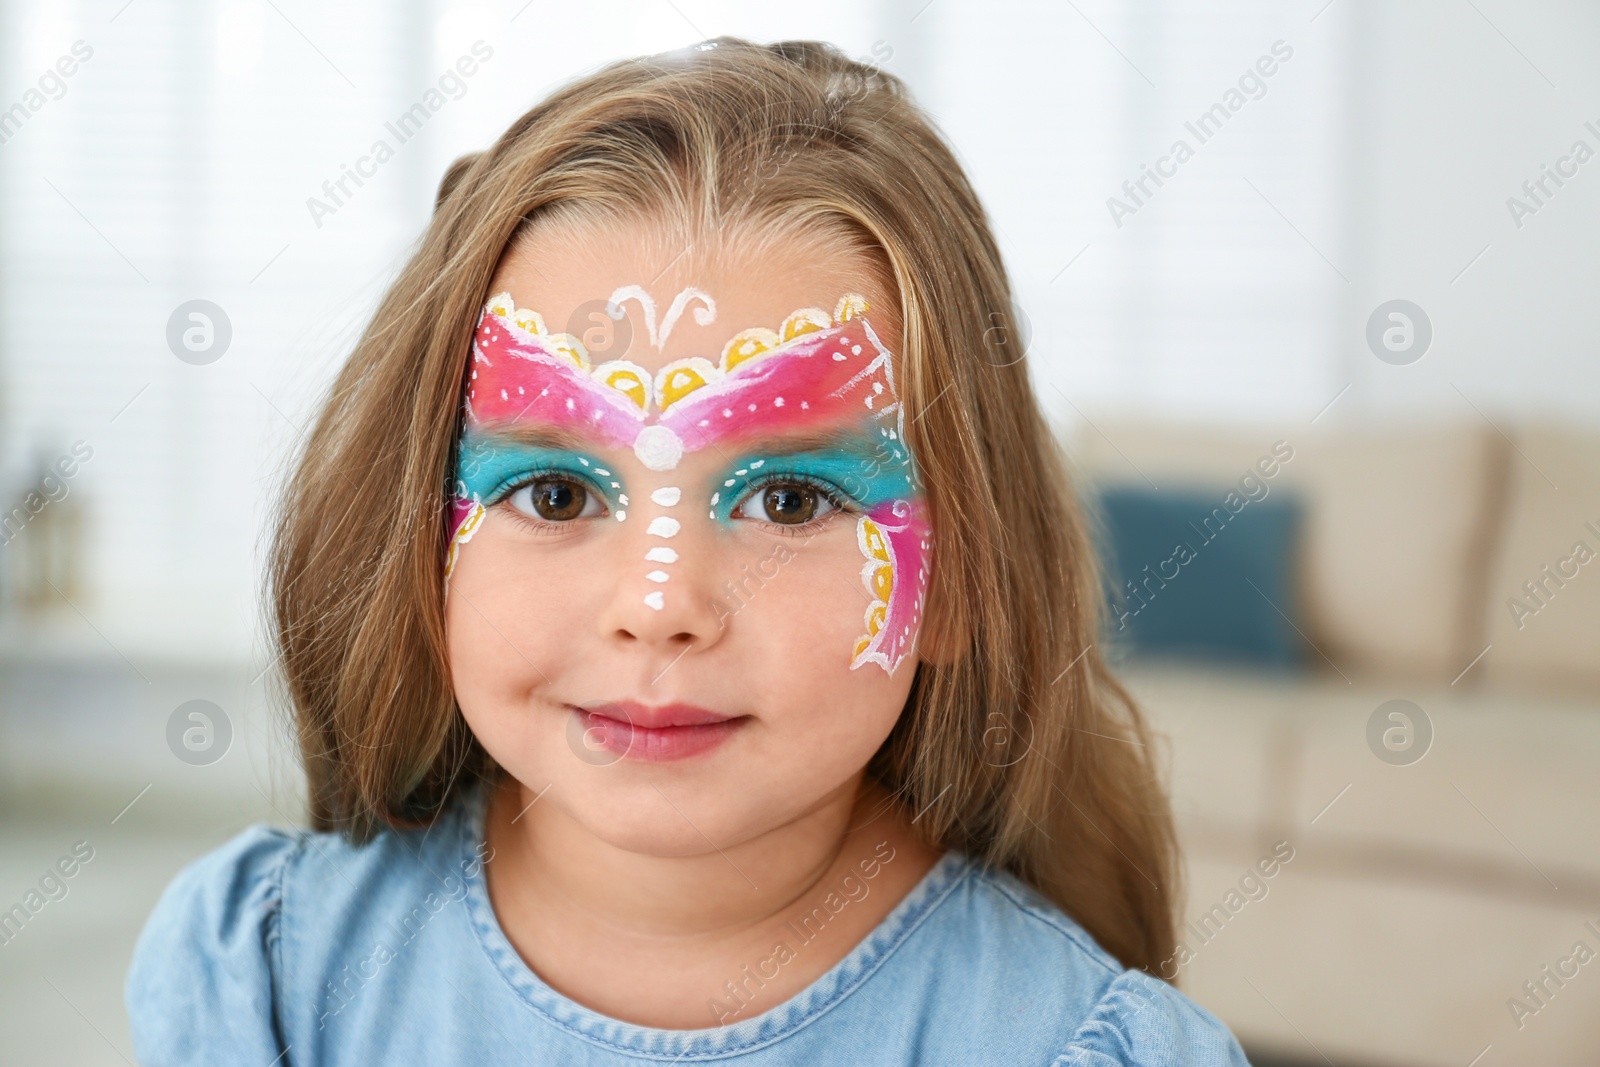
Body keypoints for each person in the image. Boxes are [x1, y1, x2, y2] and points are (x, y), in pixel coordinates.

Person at [126, 36, 1249, 1065]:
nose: (658, 602)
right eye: (555, 490)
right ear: (419, 544)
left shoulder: (1073, 1045)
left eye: (794, 498)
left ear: (962, 576)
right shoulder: (271, 978)